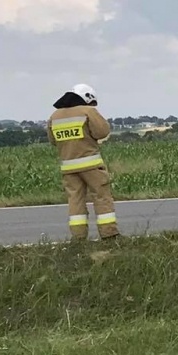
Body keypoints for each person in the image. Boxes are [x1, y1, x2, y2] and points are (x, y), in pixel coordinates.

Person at [48, 83, 117, 240]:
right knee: (101, 197)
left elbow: (53, 140)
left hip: (68, 167)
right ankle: (109, 234)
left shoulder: (55, 116)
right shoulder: (87, 111)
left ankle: (78, 237)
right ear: (88, 98)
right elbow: (102, 132)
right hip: (91, 165)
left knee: (75, 201)